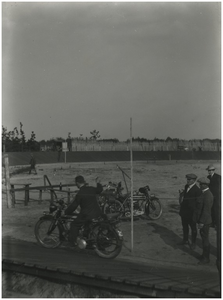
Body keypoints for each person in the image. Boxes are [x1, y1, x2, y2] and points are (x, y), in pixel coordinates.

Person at [64, 175, 103, 246]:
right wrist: (98, 183)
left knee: (74, 225)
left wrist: (66, 212)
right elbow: (99, 190)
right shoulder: (91, 189)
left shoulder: (80, 193)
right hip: (97, 213)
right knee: (86, 225)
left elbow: (74, 205)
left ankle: (72, 243)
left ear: (78, 183)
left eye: (76, 183)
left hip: (87, 214)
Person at [178, 173, 202, 250]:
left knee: (193, 229)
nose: (187, 181)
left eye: (189, 179)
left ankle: (193, 243)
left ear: (194, 180)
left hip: (191, 213)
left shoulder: (197, 190)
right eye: (187, 179)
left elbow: (198, 204)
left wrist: (195, 214)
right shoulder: (186, 186)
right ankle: (185, 240)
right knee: (185, 227)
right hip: (184, 212)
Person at [193, 177, 213, 265]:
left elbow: (206, 211)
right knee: (203, 238)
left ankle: (206, 258)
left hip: (205, 221)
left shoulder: (208, 195)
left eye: (200, 184)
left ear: (204, 185)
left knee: (205, 240)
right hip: (203, 221)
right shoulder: (203, 193)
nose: (199, 185)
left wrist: (201, 222)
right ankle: (204, 255)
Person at [206, 164, 221, 274]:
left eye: (211, 170)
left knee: (216, 210)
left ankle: (216, 223)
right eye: (208, 170)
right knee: (212, 210)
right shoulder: (209, 178)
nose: (209, 172)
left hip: (217, 197)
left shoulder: (218, 177)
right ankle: (214, 222)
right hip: (211, 196)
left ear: (214, 170)